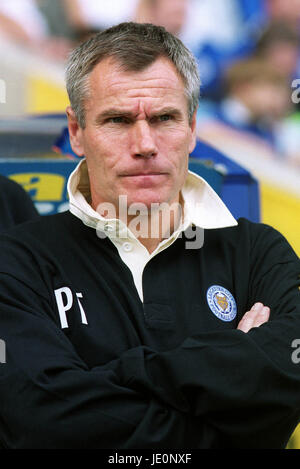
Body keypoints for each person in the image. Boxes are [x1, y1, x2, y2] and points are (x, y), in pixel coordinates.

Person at [0, 22, 299, 450]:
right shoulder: (16, 260)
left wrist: (118, 376)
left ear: (193, 126)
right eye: (118, 120)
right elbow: (45, 425)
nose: (145, 144)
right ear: (76, 132)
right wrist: (236, 367)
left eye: (164, 118)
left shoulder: (259, 252)